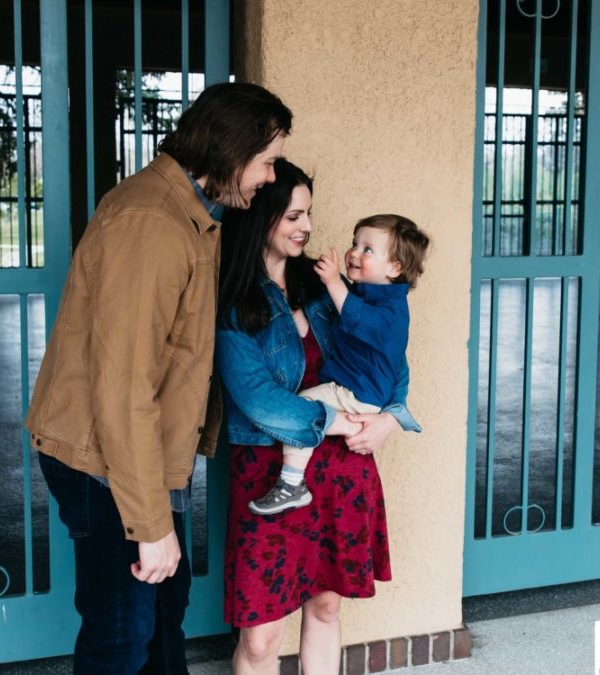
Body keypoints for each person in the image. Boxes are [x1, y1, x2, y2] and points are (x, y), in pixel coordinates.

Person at [25, 82, 292, 674]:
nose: (270, 177)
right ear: (231, 148)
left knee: (161, 610)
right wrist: (150, 525)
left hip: (135, 456)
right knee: (122, 633)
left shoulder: (188, 212)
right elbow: (123, 387)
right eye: (267, 160)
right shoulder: (152, 222)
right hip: (103, 459)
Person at [215, 159, 422, 673]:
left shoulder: (323, 284)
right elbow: (256, 397)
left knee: (326, 607)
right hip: (272, 480)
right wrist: (335, 421)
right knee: (261, 637)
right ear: (260, 216)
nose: (306, 227)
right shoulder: (234, 301)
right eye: (292, 216)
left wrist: (390, 419)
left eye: (308, 214)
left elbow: (386, 356)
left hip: (342, 474)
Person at [248, 213, 430, 515]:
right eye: (354, 244)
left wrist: (333, 281)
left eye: (367, 249)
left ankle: (292, 483)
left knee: (306, 406)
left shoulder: (388, 308)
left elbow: (356, 319)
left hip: (358, 397)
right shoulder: (366, 294)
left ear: (394, 267)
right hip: (354, 396)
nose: (354, 253)